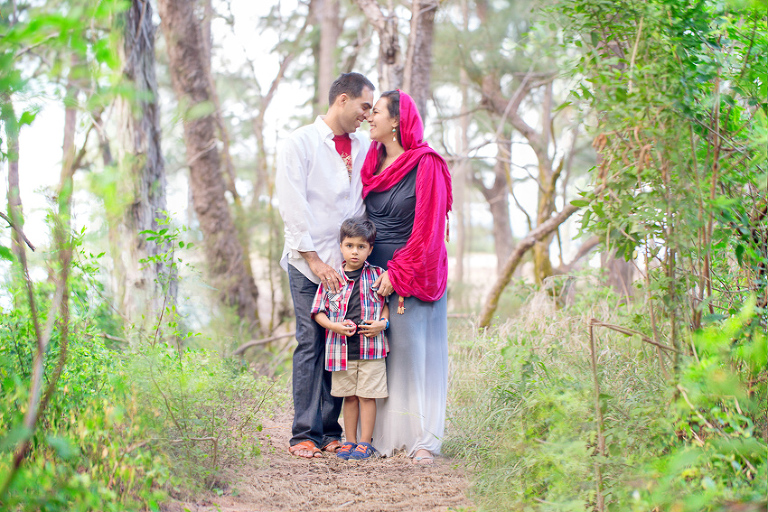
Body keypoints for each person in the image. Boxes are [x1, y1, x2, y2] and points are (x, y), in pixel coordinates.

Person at [276, 72, 375, 459]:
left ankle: (332, 430)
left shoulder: (365, 145)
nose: (367, 115)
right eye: (364, 107)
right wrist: (314, 260)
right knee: (310, 344)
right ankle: (304, 433)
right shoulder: (299, 143)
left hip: (347, 268)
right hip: (307, 263)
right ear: (343, 100)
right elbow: (292, 203)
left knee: (342, 344)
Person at [361, 90, 452, 464]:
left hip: (413, 271)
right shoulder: (371, 162)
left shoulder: (425, 164)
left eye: (377, 112)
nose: (370, 117)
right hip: (373, 274)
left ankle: (421, 440)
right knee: (383, 356)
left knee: (414, 354)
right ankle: (386, 435)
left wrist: (398, 274)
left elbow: (429, 228)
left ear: (397, 120)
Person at [311, 217, 390, 460]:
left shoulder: (378, 274)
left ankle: (365, 442)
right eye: (349, 246)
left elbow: (385, 305)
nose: (355, 252)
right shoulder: (332, 279)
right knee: (350, 397)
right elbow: (317, 312)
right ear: (341, 246)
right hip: (341, 351)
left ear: (370, 249)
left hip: (371, 350)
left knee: (367, 396)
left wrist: (383, 323)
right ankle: (350, 441)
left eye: (361, 247)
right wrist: (333, 326)